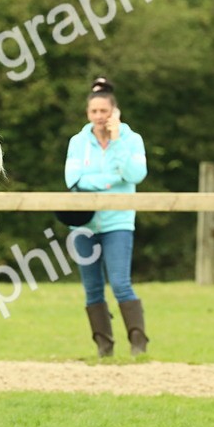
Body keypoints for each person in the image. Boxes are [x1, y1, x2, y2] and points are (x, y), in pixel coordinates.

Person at [64, 77, 149, 357]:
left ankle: (138, 343)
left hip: (118, 222)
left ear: (114, 112)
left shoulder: (131, 140)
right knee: (92, 288)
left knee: (121, 283)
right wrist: (111, 181)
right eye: (94, 112)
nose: (99, 117)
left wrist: (116, 142)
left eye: (104, 111)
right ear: (88, 113)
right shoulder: (78, 141)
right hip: (84, 225)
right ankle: (104, 347)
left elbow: (135, 175)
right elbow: (73, 179)